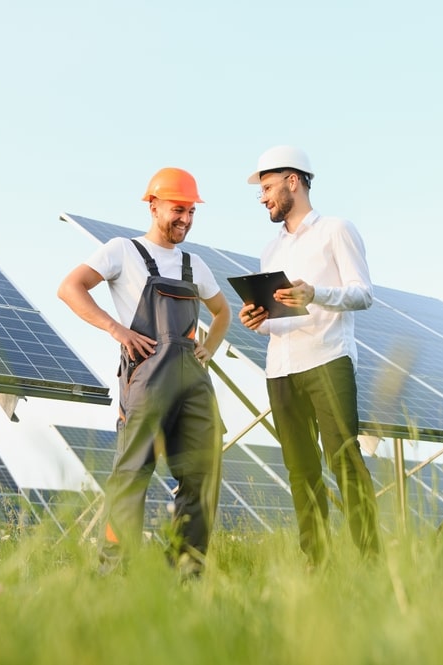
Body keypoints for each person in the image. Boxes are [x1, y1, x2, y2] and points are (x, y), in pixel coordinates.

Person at [57, 167, 230, 577]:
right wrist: (116, 329)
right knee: (132, 475)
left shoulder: (195, 264)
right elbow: (70, 288)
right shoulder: (122, 251)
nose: (185, 219)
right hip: (148, 380)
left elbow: (223, 313)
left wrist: (208, 348)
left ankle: (187, 573)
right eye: (177, 209)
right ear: (153, 206)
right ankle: (114, 574)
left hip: (194, 383)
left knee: (203, 477)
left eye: (191, 211)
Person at [239, 145, 381, 566]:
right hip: (280, 368)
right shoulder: (270, 250)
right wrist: (257, 318)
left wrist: (315, 293)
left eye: (267, 187)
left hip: (327, 359)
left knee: (346, 463)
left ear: (293, 181)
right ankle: (316, 566)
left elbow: (363, 294)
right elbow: (275, 317)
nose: (262, 197)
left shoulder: (336, 230)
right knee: (301, 473)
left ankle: (371, 562)